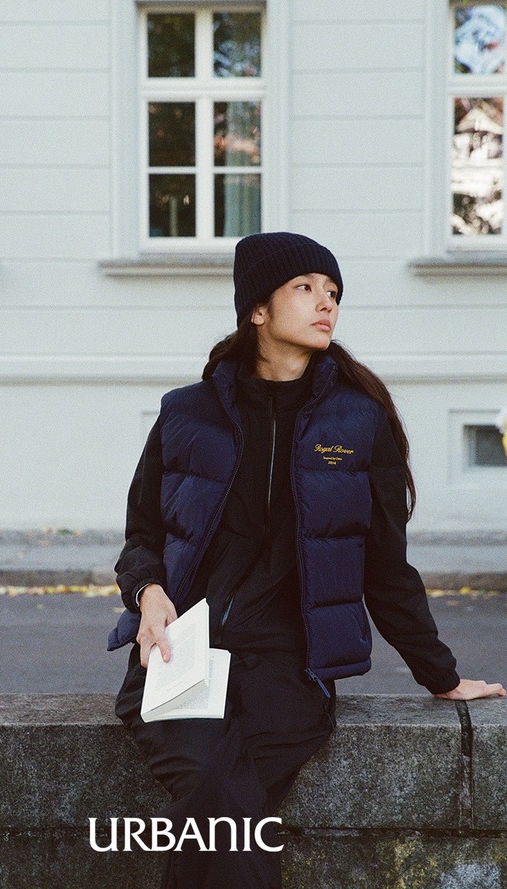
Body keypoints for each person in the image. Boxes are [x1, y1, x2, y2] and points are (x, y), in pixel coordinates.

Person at [108, 232, 505, 889]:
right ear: (257, 309)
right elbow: (142, 535)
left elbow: (386, 568)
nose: (327, 303)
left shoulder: (358, 421)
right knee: (220, 793)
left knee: (218, 799)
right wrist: (149, 594)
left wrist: (441, 675)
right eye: (306, 287)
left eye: (334, 292)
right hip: (182, 655)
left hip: (291, 666)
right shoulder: (187, 414)